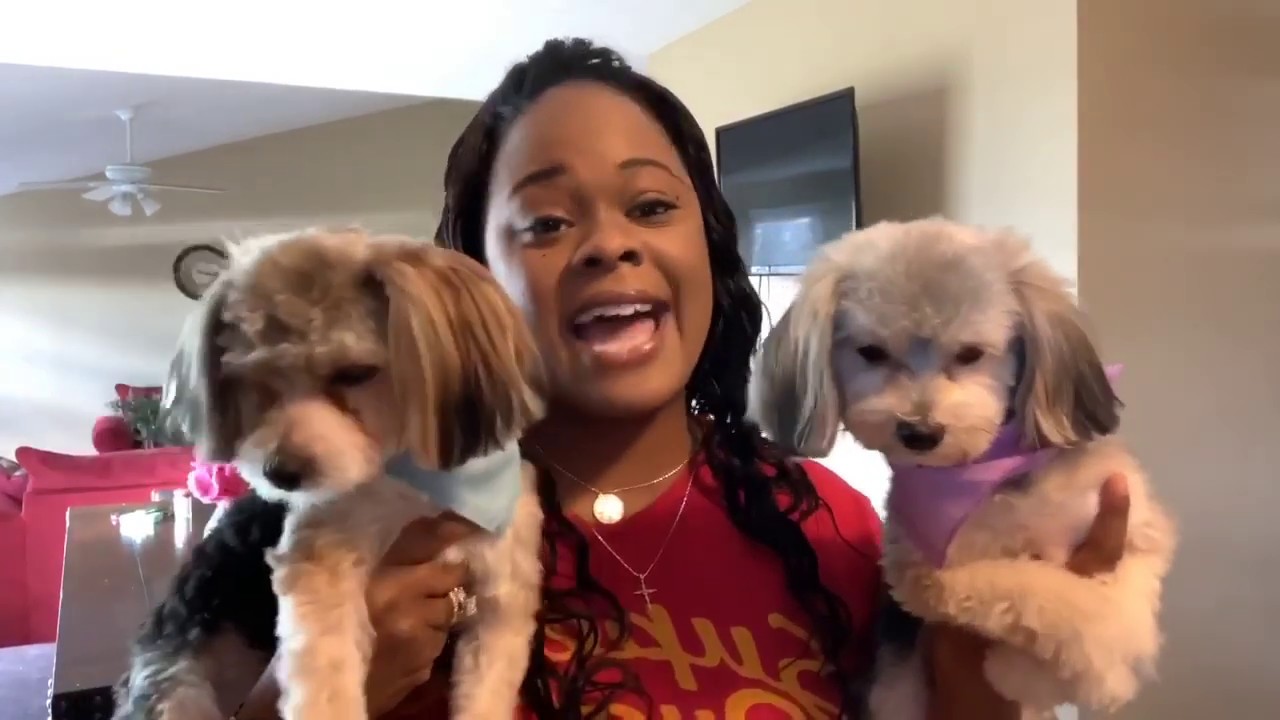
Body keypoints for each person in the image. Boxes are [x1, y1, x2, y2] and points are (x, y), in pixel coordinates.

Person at [235, 37, 1131, 720]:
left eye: (653, 205)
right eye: (545, 222)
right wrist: (295, 693)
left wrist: (983, 665)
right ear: (472, 281)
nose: (609, 242)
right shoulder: (346, 531)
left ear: (708, 246)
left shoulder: (840, 528)